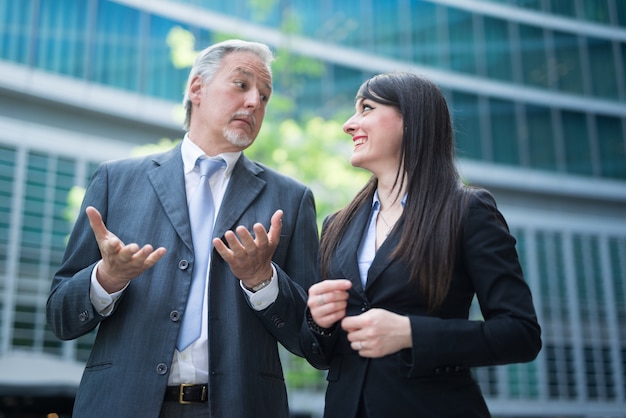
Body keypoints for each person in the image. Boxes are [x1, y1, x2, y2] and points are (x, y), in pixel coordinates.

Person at [46, 39, 319, 418]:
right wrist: (106, 278)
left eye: (264, 95)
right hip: (121, 405)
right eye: (242, 85)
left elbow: (312, 340)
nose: (255, 102)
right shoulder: (116, 180)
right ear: (197, 89)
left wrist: (263, 281)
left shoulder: (290, 198)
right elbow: (60, 317)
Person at [300, 72, 542, 418]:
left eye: (366, 108)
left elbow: (521, 334)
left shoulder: (467, 211)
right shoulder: (336, 225)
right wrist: (317, 322)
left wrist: (411, 333)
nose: (349, 125)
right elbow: (322, 356)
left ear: (411, 119)